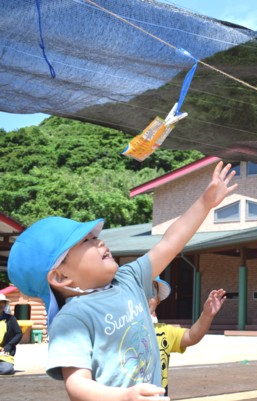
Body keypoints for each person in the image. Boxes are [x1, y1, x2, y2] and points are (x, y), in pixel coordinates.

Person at [8, 161, 237, 400]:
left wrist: (205, 203)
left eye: (94, 236)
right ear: (61, 276)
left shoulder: (129, 279)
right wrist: (124, 396)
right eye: (86, 241)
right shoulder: (71, 319)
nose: (100, 241)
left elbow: (170, 242)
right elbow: (77, 384)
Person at [149, 276, 226, 394]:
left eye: (151, 291)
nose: (146, 296)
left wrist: (206, 315)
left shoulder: (164, 331)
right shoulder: (121, 329)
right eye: (139, 290)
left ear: (158, 300)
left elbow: (191, 336)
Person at [0, 294, 23, 375]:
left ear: (5, 304)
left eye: (2, 302)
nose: (0, 305)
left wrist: (8, 346)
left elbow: (18, 333)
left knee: (7, 369)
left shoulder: (10, 318)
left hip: (4, 352)